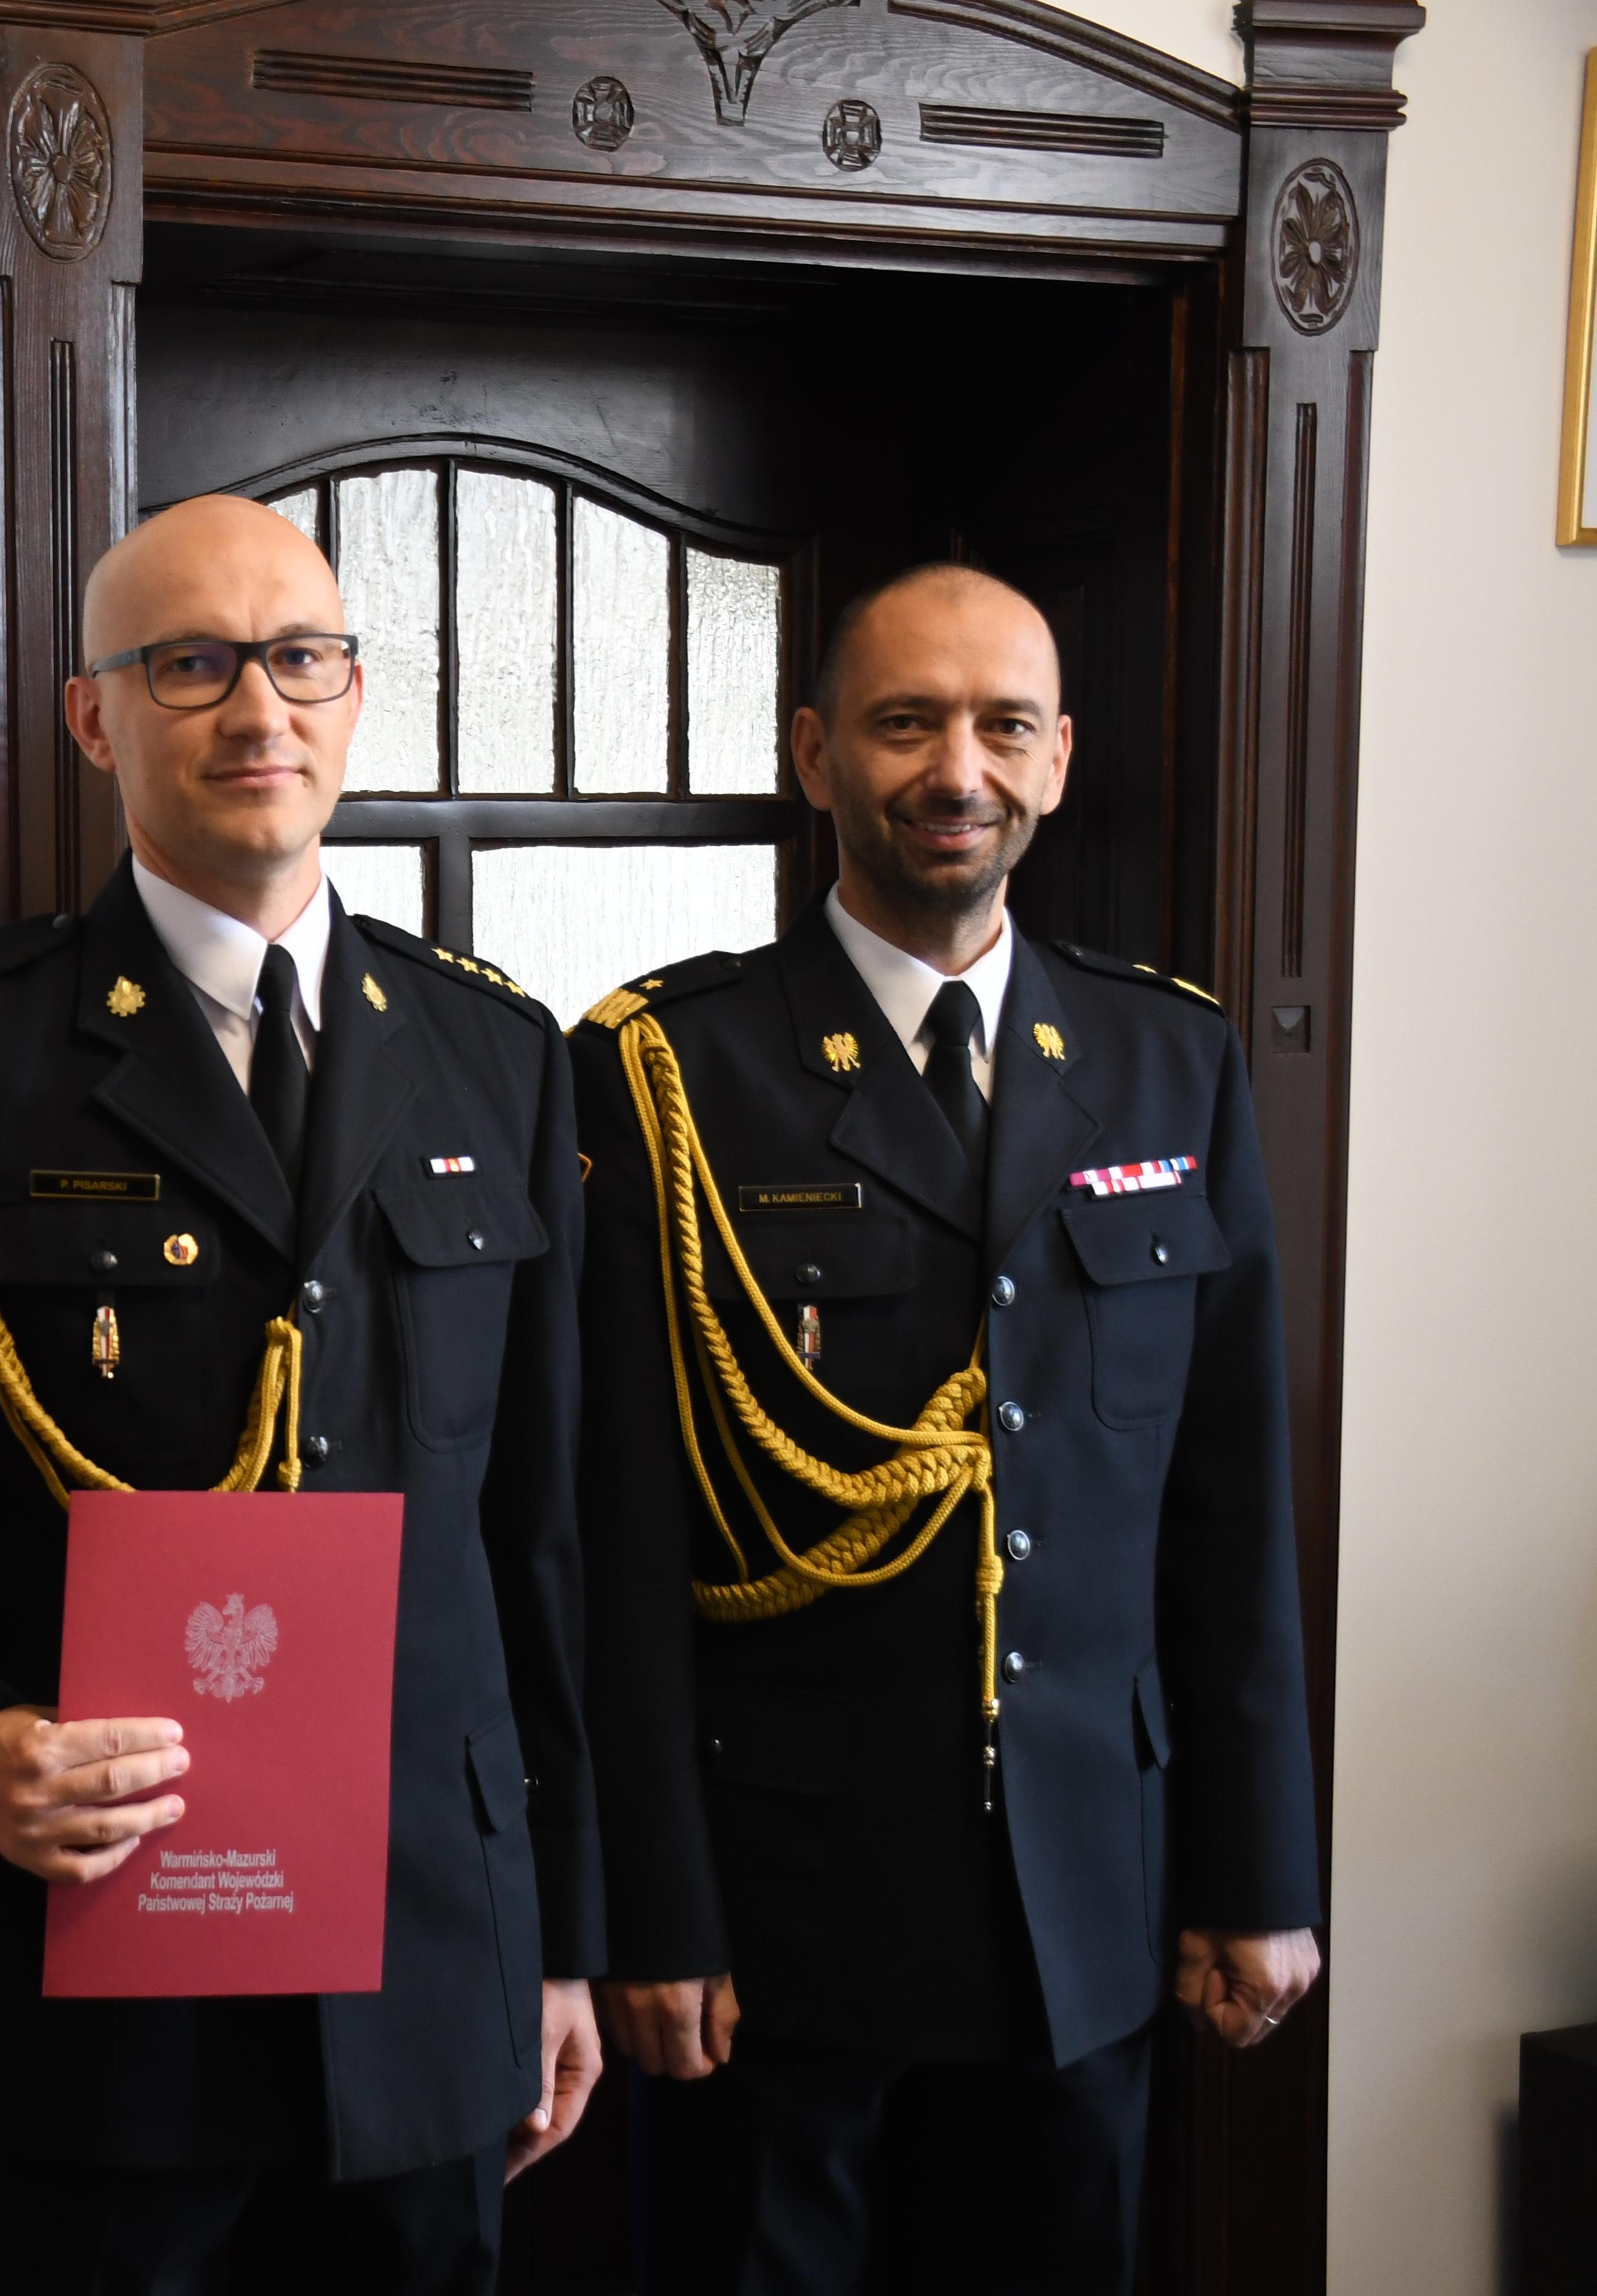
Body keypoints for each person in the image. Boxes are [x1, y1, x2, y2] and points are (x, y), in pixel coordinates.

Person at [0, 495, 604, 2294]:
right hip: (93, 1994)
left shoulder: (497, 1050)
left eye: (301, 659)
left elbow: (543, 1540)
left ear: (355, 696)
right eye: (190, 664)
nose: (258, 709)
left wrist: (566, 1934)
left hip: (425, 1967)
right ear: (93, 716)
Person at [568, 565, 1323, 2293]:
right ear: (817, 755)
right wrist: (651, 1906)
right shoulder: (669, 1071)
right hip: (778, 1913)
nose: (957, 770)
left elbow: (1228, 1514)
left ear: (1058, 759)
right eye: (907, 722)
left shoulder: (1169, 1059)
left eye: (1002, 726)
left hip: (1091, 1901)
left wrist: (1258, 1869)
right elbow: (618, 1536)